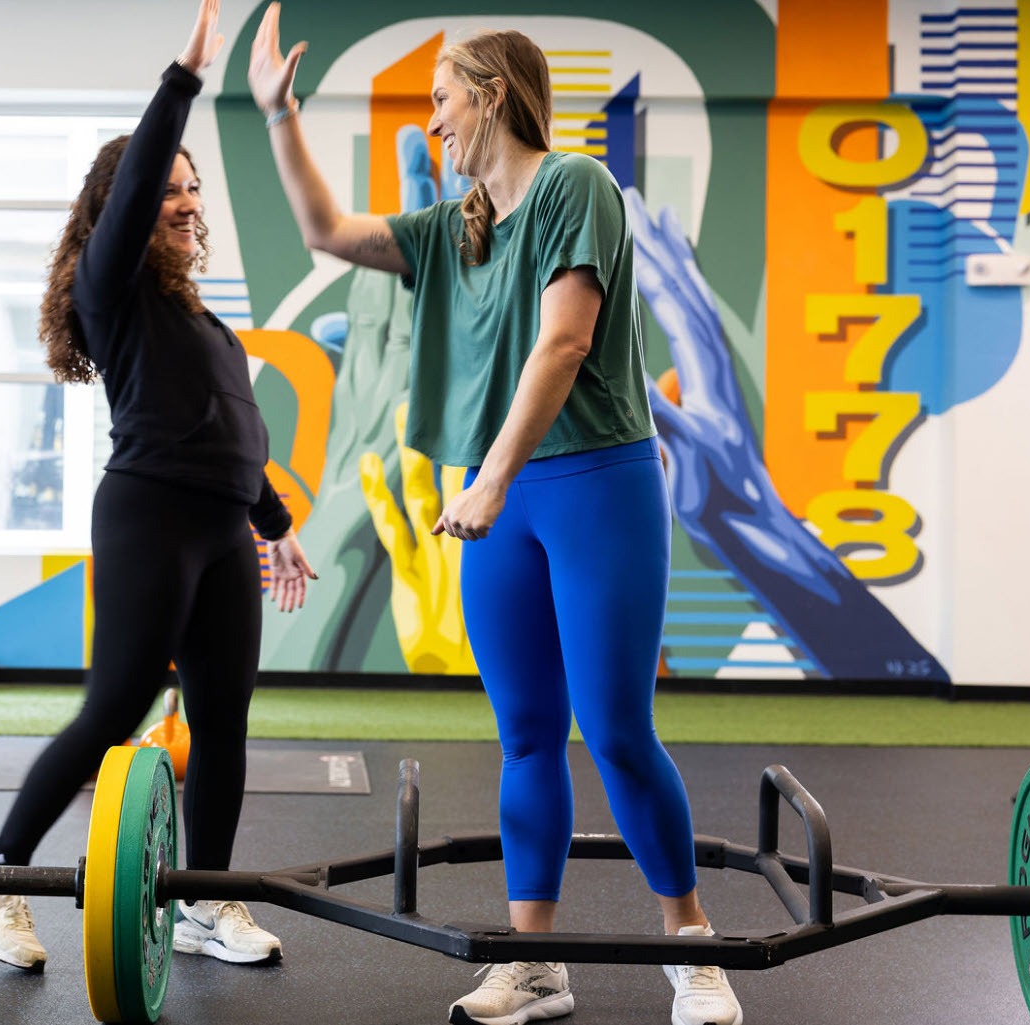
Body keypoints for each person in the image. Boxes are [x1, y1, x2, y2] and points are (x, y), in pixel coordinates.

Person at [249, 8, 742, 1025]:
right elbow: (324, 230)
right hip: (503, 501)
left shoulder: (574, 186)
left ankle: (692, 947)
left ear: (493, 95)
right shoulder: (454, 229)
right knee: (525, 737)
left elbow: (565, 342)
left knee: (616, 729)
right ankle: (534, 961)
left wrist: (490, 481)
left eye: (442, 98)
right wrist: (277, 115)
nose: (432, 120)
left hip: (593, 482)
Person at [0, 0, 317, 975]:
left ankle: (204, 900)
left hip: (224, 532)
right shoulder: (109, 290)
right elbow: (141, 171)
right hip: (150, 516)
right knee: (114, 708)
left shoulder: (203, 322)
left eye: (194, 188)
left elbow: (235, 434)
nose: (186, 201)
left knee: (223, 717)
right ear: (124, 208)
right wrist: (183, 79)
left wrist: (274, 522)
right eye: (168, 189)